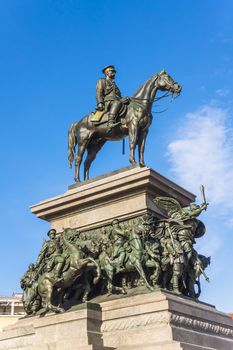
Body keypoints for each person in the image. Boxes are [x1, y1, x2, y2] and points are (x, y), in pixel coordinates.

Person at [96, 65, 129, 131]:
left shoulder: (114, 84)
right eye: (112, 71)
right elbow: (98, 92)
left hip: (117, 101)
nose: (114, 73)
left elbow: (118, 96)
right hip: (108, 102)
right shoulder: (102, 81)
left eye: (114, 72)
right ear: (107, 73)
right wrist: (100, 103)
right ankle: (110, 122)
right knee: (117, 102)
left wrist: (124, 99)